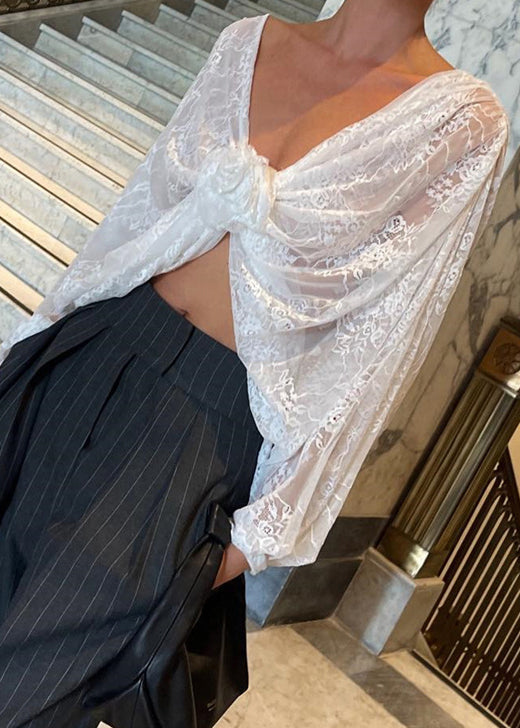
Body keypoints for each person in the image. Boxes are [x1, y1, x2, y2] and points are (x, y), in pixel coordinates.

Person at [0, 0, 509, 725]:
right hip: (90, 352)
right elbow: (143, 210)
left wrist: (256, 538)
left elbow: (381, 345)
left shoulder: (462, 122)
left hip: (200, 430)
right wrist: (41, 336)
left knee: (24, 692)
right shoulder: (247, 41)